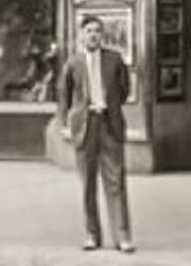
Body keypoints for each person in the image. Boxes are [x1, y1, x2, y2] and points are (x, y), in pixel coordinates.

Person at [58, 15, 135, 253]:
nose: (93, 35)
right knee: (88, 184)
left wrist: (109, 107)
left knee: (115, 180)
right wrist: (66, 124)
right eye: (89, 31)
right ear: (81, 35)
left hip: (108, 124)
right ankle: (92, 233)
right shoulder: (73, 63)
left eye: (97, 31)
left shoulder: (114, 60)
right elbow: (65, 96)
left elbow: (124, 90)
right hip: (85, 125)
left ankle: (122, 235)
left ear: (103, 35)